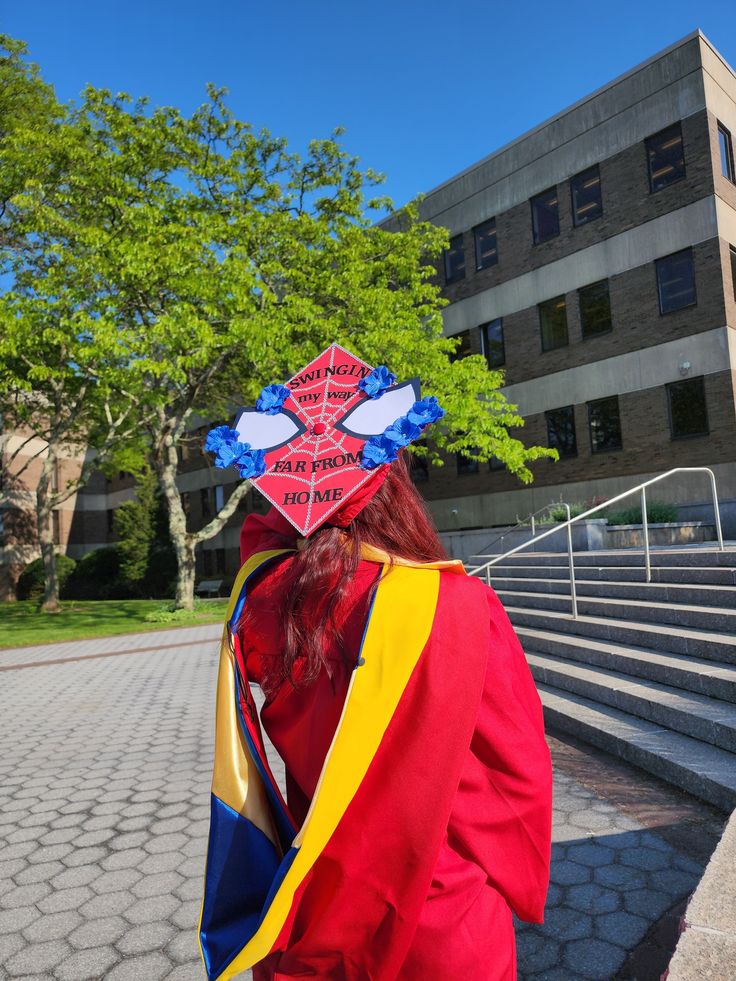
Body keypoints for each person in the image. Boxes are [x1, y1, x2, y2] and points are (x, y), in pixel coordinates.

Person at [198, 345, 553, 981]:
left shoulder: (260, 598)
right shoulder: (456, 604)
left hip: (318, 892)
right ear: (391, 483)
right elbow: (516, 772)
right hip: (440, 910)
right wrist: (515, 870)